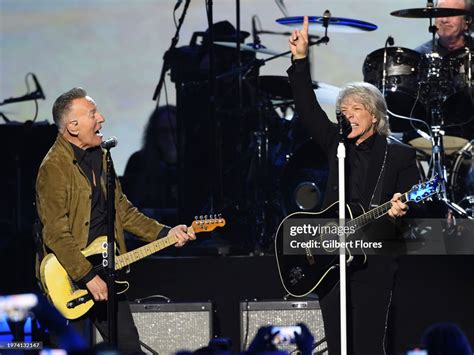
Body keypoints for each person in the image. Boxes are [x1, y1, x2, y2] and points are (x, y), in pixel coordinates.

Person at [287, 17, 421, 354]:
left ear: (374, 116)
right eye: (342, 109)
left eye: (356, 108)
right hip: (331, 257)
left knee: (367, 344)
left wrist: (400, 208)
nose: (347, 114)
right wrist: (300, 60)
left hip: (373, 257)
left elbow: (416, 200)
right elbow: (306, 108)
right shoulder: (337, 144)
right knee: (338, 345)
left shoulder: (399, 155)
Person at [35, 87, 195, 351]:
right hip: (71, 279)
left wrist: (164, 233)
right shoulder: (53, 168)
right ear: (73, 126)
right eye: (92, 113)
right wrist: (87, 277)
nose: (102, 118)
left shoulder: (101, 156)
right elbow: (55, 234)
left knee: (128, 347)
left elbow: (123, 210)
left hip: (106, 272)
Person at [122, 105, 178, 210]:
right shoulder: (138, 162)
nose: (169, 137)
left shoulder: (194, 165)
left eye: (174, 130)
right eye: (164, 131)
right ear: (154, 134)